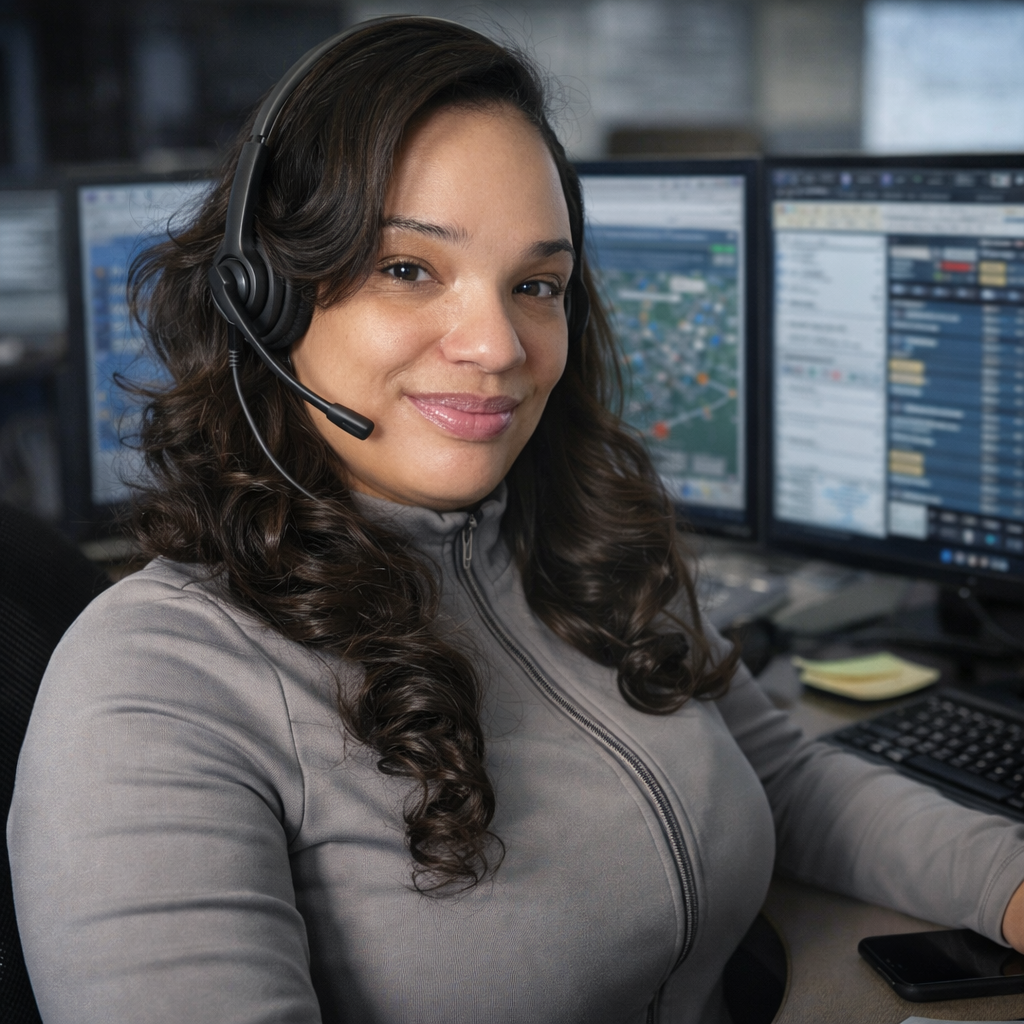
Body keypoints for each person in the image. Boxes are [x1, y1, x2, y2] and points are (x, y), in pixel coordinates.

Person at [8, 17, 1024, 1024]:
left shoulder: (582, 545)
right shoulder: (151, 689)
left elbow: (786, 778)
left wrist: (1008, 882)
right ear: (263, 296)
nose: (497, 344)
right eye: (409, 268)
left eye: (535, 284)